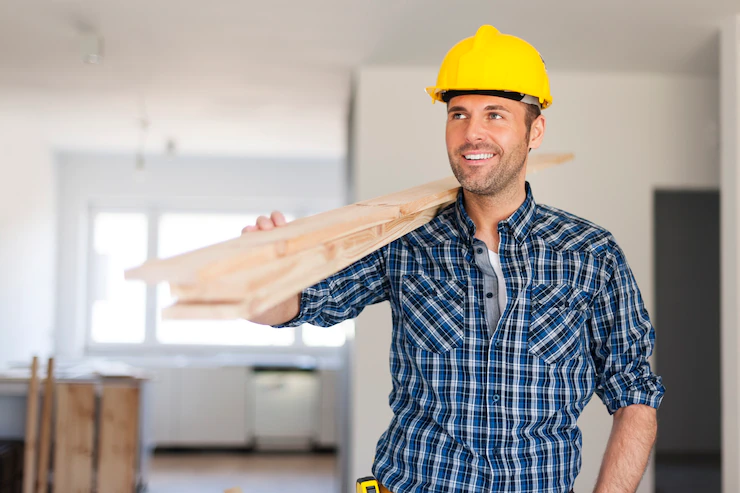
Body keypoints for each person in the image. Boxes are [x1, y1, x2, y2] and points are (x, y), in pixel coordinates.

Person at [242, 25, 664, 493]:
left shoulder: (591, 254)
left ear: (535, 130)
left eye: (496, 115)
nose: (472, 132)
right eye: (458, 114)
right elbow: (297, 304)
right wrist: (260, 280)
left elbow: (635, 395)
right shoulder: (405, 240)